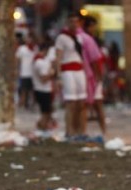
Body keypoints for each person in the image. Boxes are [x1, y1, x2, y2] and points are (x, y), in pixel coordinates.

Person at [55, 11, 87, 140]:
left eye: (76, 21)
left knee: (81, 102)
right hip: (68, 71)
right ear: (67, 23)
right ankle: (70, 130)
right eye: (71, 21)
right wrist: (58, 76)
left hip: (79, 70)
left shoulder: (79, 37)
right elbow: (58, 58)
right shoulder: (62, 38)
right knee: (71, 102)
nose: (74, 24)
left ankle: (81, 130)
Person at [80, 15, 107, 136]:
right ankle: (83, 131)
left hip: (91, 75)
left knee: (97, 104)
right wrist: (98, 75)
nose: (94, 29)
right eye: (92, 26)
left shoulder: (92, 39)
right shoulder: (86, 39)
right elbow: (94, 60)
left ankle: (104, 131)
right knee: (86, 106)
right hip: (89, 75)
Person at [32, 42, 56, 130]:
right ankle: (41, 128)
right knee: (45, 113)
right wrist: (52, 73)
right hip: (43, 90)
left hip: (42, 89)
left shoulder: (39, 60)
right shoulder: (40, 62)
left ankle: (43, 127)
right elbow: (43, 79)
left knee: (47, 112)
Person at [16, 33, 36, 110]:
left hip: (33, 73)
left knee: (33, 90)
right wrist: (17, 70)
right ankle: (22, 103)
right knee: (24, 89)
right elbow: (18, 60)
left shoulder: (35, 48)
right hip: (24, 72)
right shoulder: (22, 49)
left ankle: (32, 104)